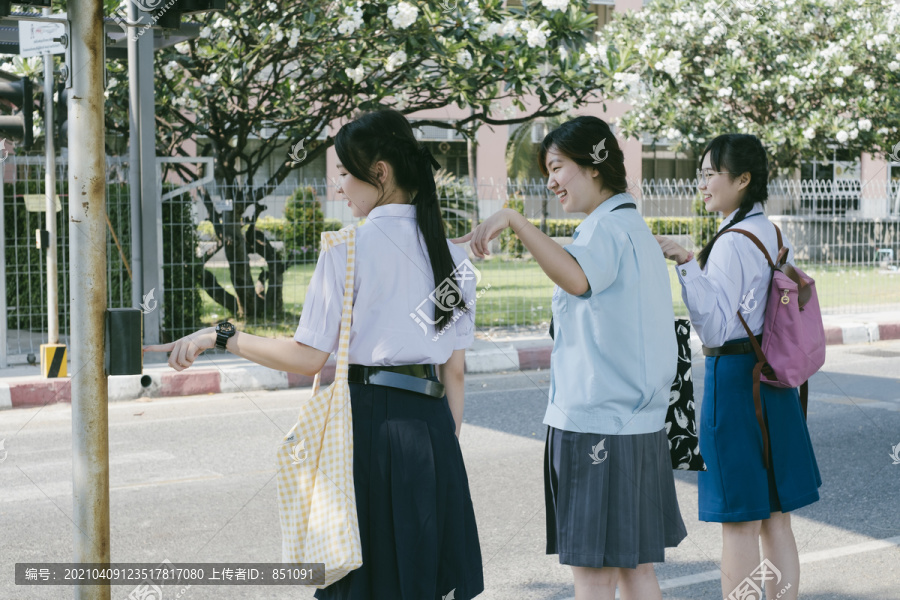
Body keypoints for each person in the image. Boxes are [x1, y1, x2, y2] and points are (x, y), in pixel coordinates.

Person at [144, 108, 484, 600]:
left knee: (364, 583)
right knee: (422, 580)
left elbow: (307, 358)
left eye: (344, 173)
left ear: (381, 173)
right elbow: (455, 369)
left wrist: (220, 336)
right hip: (432, 430)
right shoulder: (454, 259)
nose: (339, 187)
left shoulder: (348, 248)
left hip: (366, 426)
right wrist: (442, 447)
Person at [453, 116, 686, 600]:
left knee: (595, 577)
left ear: (594, 165)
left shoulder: (603, 230)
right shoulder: (632, 226)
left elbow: (577, 278)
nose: (552, 181)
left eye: (558, 167)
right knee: (636, 570)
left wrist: (516, 221)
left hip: (595, 425)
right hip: (638, 427)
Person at [655, 133, 822, 600]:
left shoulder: (730, 242)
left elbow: (713, 328)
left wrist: (687, 263)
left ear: (742, 179)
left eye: (711, 173)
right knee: (777, 520)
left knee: (739, 523)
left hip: (734, 382)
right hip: (773, 377)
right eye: (701, 173)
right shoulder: (770, 230)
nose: (702, 183)